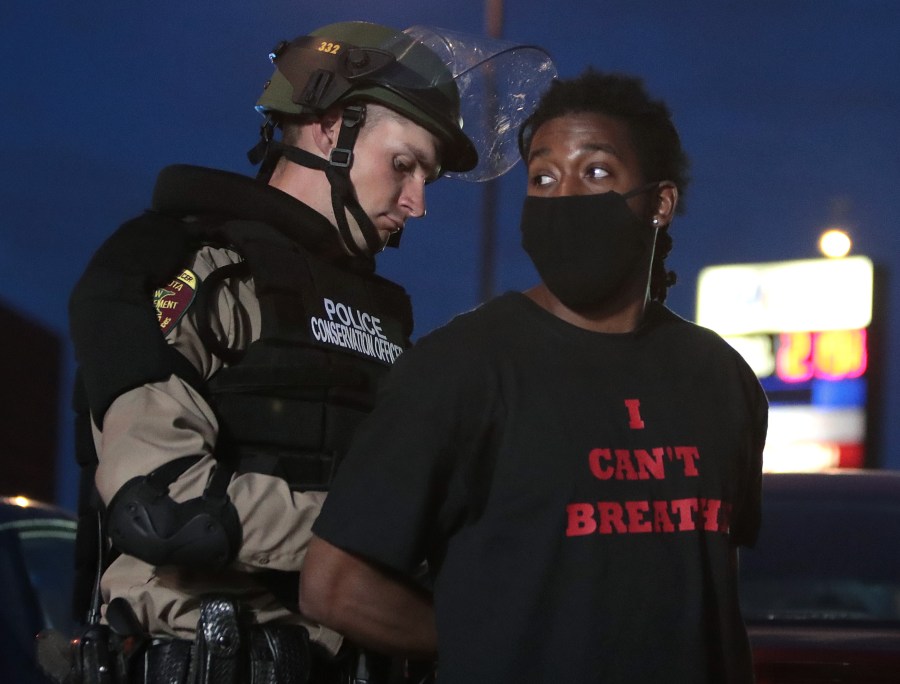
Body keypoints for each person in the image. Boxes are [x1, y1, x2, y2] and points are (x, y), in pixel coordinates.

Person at [53, 20, 556, 684]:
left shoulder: (384, 320)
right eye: (404, 164)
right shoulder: (195, 267)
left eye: (425, 177)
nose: (417, 203)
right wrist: (375, 540)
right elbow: (163, 507)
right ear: (330, 128)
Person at [300, 69, 769, 683]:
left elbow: (713, 589)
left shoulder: (722, 379)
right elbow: (334, 588)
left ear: (659, 203)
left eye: (596, 172)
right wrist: (497, 643)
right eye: (543, 178)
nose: (564, 195)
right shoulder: (461, 367)